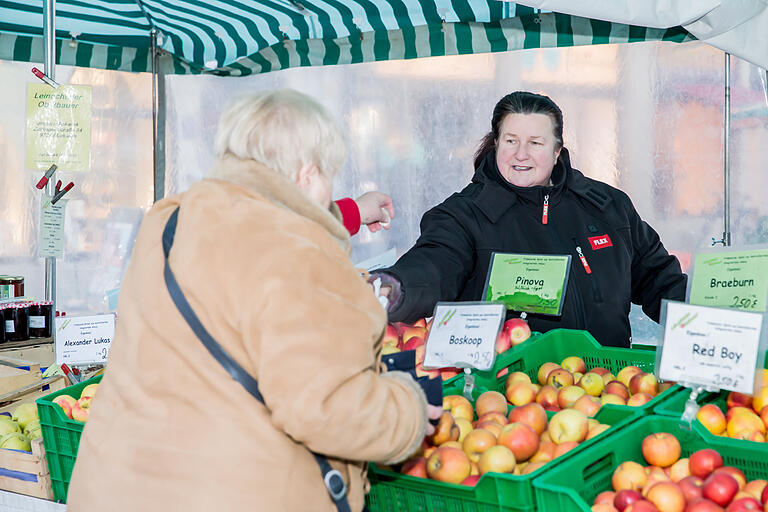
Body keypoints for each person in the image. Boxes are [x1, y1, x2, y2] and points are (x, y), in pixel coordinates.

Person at [66, 90, 440, 512]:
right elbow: (327, 409)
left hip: (116, 486)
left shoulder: (169, 221)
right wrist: (408, 409)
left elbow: (256, 224)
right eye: (328, 175)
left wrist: (346, 212)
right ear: (307, 174)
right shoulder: (304, 259)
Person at [373, 91, 687, 348]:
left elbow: (659, 279)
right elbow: (433, 265)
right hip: (509, 395)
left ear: (557, 151)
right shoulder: (465, 215)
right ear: (496, 145)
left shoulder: (608, 208)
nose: (521, 154)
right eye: (511, 141)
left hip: (612, 385)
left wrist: (715, 310)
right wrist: (393, 288)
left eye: (535, 143)